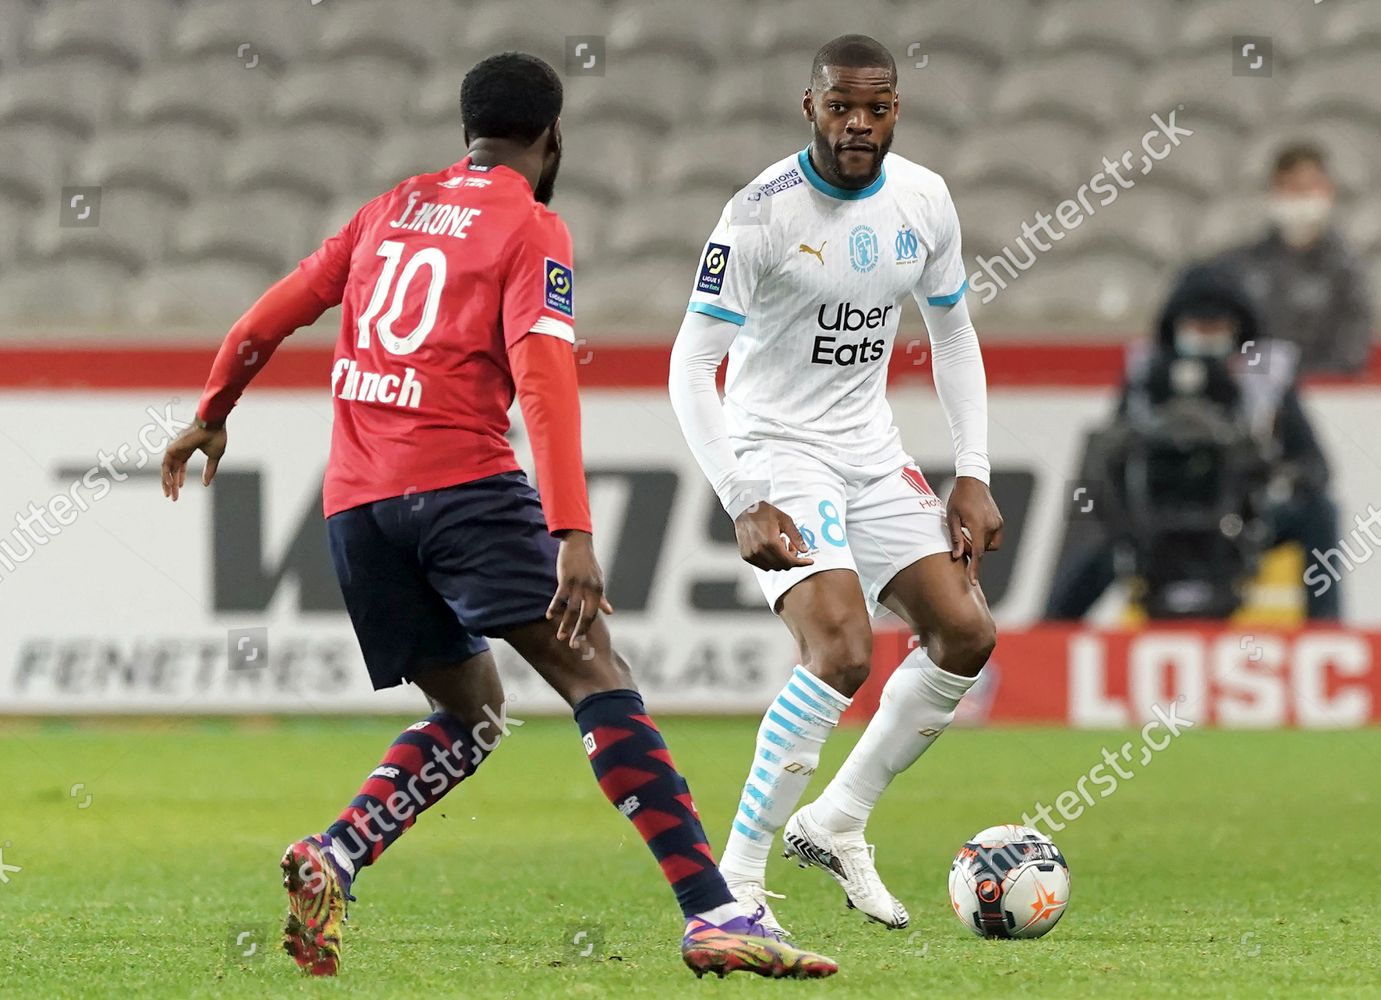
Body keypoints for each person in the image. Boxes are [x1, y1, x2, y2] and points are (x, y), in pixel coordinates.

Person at [159, 52, 835, 981]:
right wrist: (573, 532)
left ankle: (338, 853)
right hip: (464, 489)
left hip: (357, 507)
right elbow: (546, 384)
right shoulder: (532, 225)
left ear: (465, 128)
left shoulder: (389, 207)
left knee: (471, 712)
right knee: (598, 673)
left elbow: (262, 322)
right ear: (554, 137)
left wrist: (208, 415)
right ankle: (713, 910)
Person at [667, 35, 1003, 938]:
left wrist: (971, 472)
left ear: (897, 109)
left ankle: (837, 819)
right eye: (842, 106)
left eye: (878, 107)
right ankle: (734, 884)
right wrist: (742, 493)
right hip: (778, 447)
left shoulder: (924, 199)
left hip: (868, 446)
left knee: (966, 634)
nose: (860, 123)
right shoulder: (759, 213)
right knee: (842, 651)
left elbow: (956, 335)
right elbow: (690, 364)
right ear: (809, 107)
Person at [1043, 262, 1340, 621]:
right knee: (1088, 510)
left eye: (1217, 327)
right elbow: (1107, 456)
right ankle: (1049, 639)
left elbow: (1315, 466)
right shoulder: (1146, 377)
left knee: (1320, 512)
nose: (1206, 335)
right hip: (1151, 519)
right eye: (1198, 326)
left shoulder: (1267, 381)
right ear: (1177, 328)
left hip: (1240, 520)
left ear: (1238, 332)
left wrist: (1270, 473)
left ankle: (1326, 631)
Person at [1214, 141, 1374, 375]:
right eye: (1289, 188)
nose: (1299, 199)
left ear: (1327, 191)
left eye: (1307, 188)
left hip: (1325, 396)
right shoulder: (1242, 266)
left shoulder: (1346, 271)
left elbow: (1351, 352)